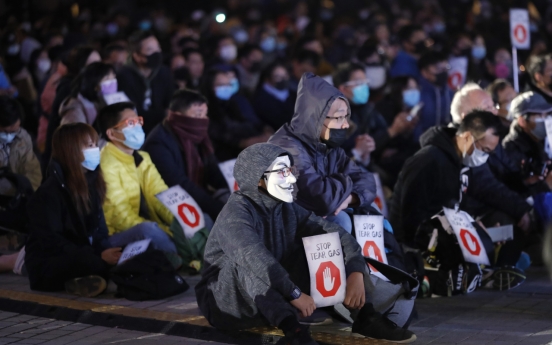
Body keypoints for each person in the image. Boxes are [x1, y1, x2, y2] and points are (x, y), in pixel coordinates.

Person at [195, 143, 416, 344]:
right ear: (259, 180)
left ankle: (364, 316)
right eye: (282, 172)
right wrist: (294, 294)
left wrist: (355, 271)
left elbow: (335, 233)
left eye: (290, 170)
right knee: (246, 262)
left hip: (268, 299)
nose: (291, 179)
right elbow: (255, 258)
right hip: (226, 303)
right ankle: (294, 332)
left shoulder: (284, 206)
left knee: (322, 242)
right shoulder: (236, 213)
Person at [24, 123, 178, 296]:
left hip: (83, 253)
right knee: (96, 263)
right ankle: (85, 277)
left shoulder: (91, 183)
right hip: (48, 264)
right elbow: (52, 243)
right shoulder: (48, 194)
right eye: (89, 145)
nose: (95, 150)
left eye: (95, 145)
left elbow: (99, 231)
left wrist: (104, 251)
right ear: (71, 150)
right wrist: (96, 257)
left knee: (130, 256)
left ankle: (83, 280)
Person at [269, 73, 377, 233]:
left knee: (372, 211)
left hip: (321, 212)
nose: (346, 125)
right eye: (339, 118)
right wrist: (347, 185)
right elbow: (322, 198)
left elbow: (366, 180)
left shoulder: (327, 144)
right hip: (286, 226)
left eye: (346, 117)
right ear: (316, 117)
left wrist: (348, 199)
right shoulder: (287, 147)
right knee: (341, 221)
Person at [390, 111, 501, 244]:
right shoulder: (428, 160)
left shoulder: (463, 164)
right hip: (416, 248)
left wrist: (473, 226)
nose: (485, 156)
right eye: (484, 150)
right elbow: (411, 220)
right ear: (467, 137)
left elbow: (457, 207)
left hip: (444, 240)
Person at [98, 102, 183, 268]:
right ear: (112, 133)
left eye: (138, 121)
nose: (137, 126)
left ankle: (193, 256)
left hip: (143, 224)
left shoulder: (142, 157)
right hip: (114, 235)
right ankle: (186, 260)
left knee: (195, 218)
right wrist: (166, 231)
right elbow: (120, 217)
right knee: (148, 230)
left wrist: (178, 220)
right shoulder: (106, 164)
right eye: (130, 123)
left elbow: (160, 194)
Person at [143, 89, 228, 221]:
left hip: (198, 194)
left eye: (205, 115)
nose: (203, 121)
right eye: (198, 115)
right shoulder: (158, 144)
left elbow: (212, 169)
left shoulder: (197, 135)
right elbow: (180, 184)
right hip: (173, 204)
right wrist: (220, 210)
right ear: (178, 116)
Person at [332, 63, 416, 170]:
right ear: (342, 88)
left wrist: (404, 130)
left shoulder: (369, 109)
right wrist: (392, 131)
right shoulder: (333, 119)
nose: (364, 86)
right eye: (359, 82)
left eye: (365, 81)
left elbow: (379, 136)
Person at [201, 67, 271, 161]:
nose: (226, 88)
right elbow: (222, 136)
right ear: (209, 86)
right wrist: (248, 142)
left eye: (228, 84)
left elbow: (250, 123)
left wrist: (265, 130)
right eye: (221, 85)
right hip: (226, 159)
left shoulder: (233, 104)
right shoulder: (204, 110)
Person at [116, 31, 173, 134]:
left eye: (158, 48)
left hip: (162, 129)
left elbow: (170, 102)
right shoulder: (123, 76)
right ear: (137, 56)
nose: (157, 52)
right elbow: (131, 111)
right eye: (150, 50)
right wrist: (162, 114)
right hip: (134, 131)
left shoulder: (164, 72)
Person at [375, 76, 423, 186]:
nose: (414, 92)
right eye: (409, 88)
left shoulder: (410, 110)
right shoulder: (383, 109)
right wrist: (394, 130)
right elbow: (375, 141)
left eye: (415, 88)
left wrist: (408, 131)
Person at [502, 91, 552, 196]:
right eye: (540, 116)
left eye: (546, 114)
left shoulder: (543, 139)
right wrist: (545, 184)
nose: (545, 120)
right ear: (522, 121)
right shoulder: (510, 148)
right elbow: (514, 189)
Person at [0, 96, 42, 195]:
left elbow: (33, 170)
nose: (10, 136)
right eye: (5, 132)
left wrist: (27, 195)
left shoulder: (22, 137)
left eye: (14, 131)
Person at [58, 62, 117, 127]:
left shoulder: (98, 103)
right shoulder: (75, 112)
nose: (113, 83)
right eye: (107, 79)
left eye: (113, 78)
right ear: (94, 84)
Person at [415, 52, 455, 141]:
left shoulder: (449, 92)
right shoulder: (417, 93)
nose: (443, 72)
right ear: (424, 72)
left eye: (445, 68)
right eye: (438, 69)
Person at [253, 61, 296, 132]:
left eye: (285, 75)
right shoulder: (260, 99)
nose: (283, 79)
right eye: (277, 76)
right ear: (268, 79)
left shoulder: (294, 94)